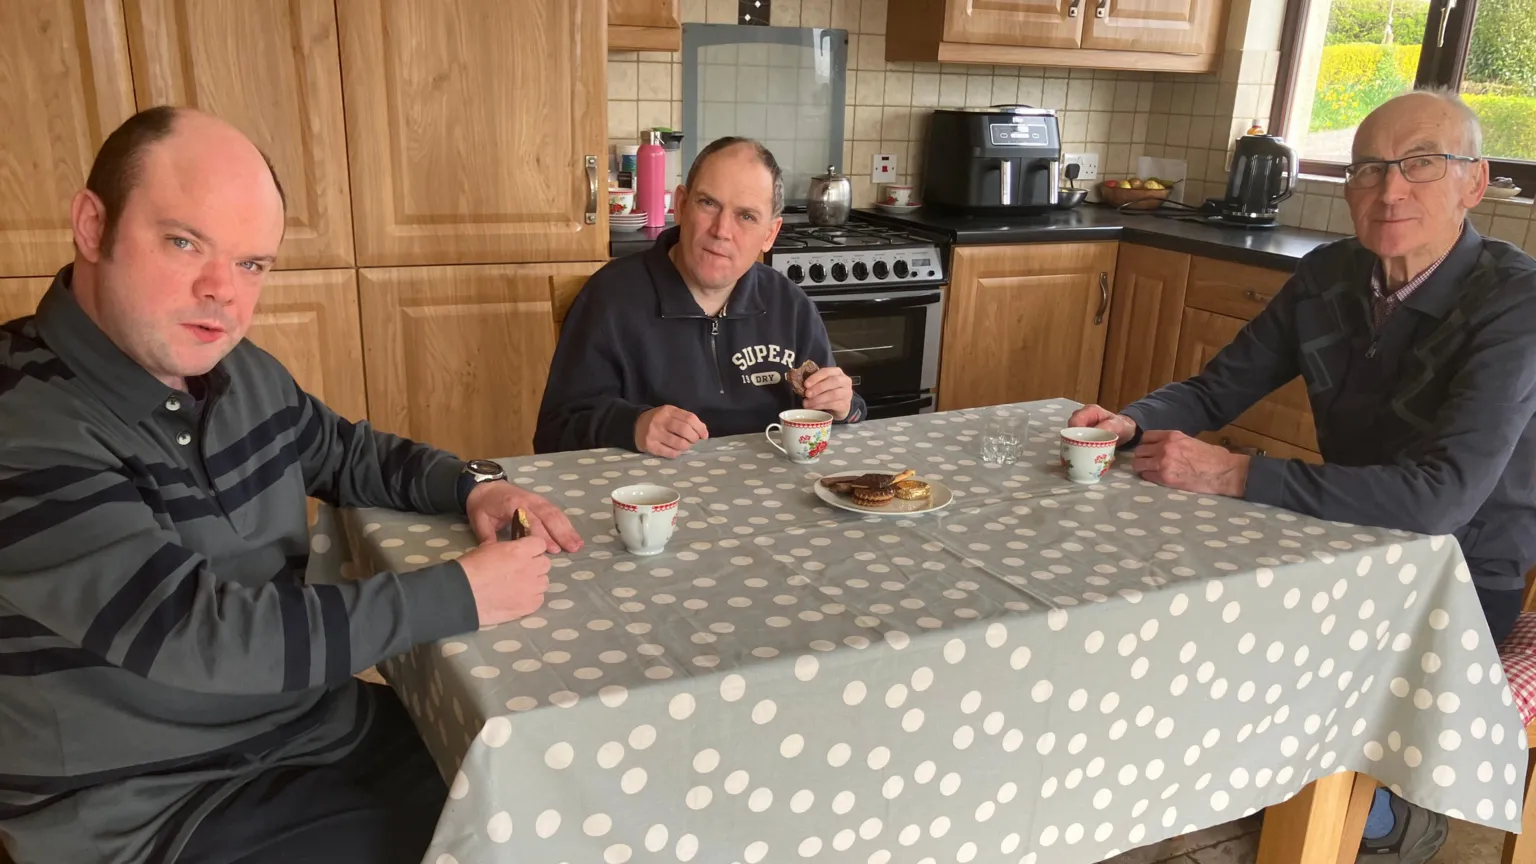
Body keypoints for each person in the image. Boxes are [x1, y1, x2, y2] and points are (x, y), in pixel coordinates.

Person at [0, 106, 582, 864]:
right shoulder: (23, 417)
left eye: (252, 264)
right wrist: (460, 594)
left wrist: (472, 486)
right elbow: (196, 632)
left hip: (308, 728)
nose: (222, 291)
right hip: (148, 805)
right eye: (183, 242)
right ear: (91, 226)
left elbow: (345, 452)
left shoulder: (240, 373)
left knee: (549, 788)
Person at [1069, 87, 1536, 863]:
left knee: (1250, 648)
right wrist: (1132, 421)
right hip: (1340, 540)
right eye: (1369, 168)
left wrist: (1237, 474)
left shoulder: (1516, 302)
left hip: (1456, 578)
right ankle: (1209, 789)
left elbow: (1439, 500)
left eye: (1420, 165)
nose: (1390, 190)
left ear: (1474, 182)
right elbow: (1217, 389)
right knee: (1164, 605)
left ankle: (1385, 817)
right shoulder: (1330, 275)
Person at [534, 136, 865, 458]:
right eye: (709, 203)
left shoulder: (790, 306)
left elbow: (840, 415)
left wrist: (843, 406)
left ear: (770, 234)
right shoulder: (609, 299)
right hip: (653, 491)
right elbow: (553, 434)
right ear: (680, 206)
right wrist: (631, 426)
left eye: (746, 216)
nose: (722, 230)